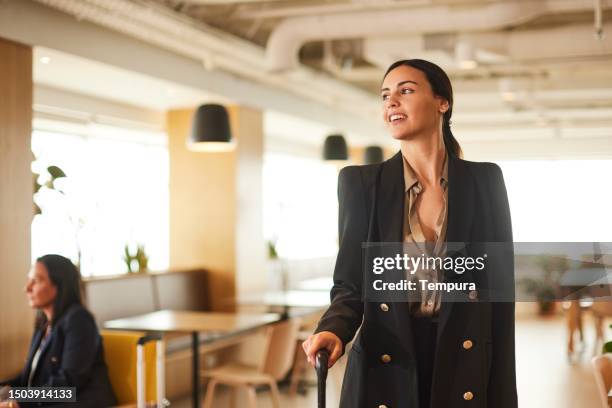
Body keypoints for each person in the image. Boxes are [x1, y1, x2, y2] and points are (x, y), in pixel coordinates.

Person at [303, 59, 517, 408]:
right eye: (385, 95)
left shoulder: (485, 182)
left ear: (442, 102)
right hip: (386, 362)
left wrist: (503, 394)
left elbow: (498, 298)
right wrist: (332, 329)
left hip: (463, 357)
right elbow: (351, 286)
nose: (391, 101)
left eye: (405, 90)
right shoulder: (360, 185)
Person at [0, 254, 117, 408]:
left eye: (36, 280)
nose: (27, 288)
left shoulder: (78, 320)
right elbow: (28, 378)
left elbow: (67, 387)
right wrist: (5, 391)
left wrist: (17, 402)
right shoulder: (44, 322)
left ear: (59, 285)